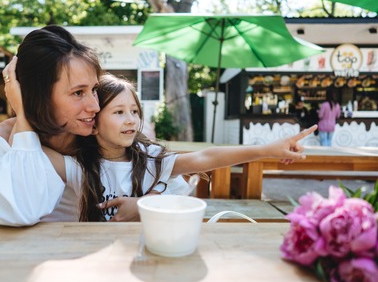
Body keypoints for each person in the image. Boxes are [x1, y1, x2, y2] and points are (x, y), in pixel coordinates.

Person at [51, 73, 318, 222]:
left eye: (134, 110)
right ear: (93, 124)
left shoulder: (150, 159)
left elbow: (205, 156)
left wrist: (267, 150)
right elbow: (28, 144)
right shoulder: (79, 167)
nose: (131, 119)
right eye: (119, 112)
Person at [0, 25, 163, 226]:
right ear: (38, 96)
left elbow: (170, 177)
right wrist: (24, 116)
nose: (95, 106)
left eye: (93, 89)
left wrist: (146, 201)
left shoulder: (100, 131)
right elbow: (20, 213)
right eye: (78, 93)